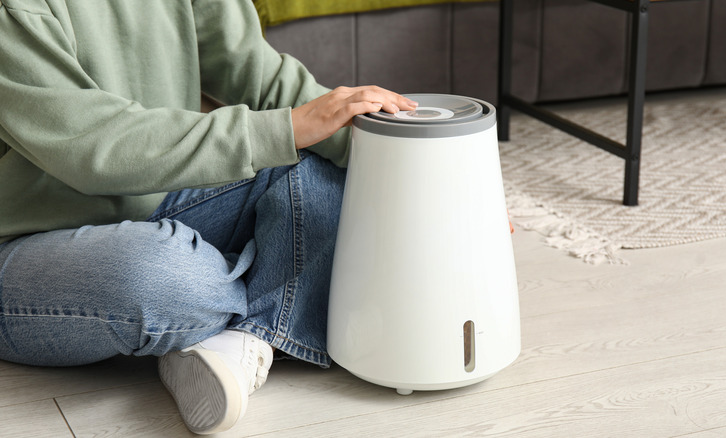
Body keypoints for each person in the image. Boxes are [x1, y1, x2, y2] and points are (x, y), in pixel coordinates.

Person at [0, 0, 417, 434]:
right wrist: (287, 128)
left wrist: (421, 177)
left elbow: (259, 73)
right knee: (164, 276)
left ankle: (237, 341)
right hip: (25, 246)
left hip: (160, 197)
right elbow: (90, 145)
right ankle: (256, 303)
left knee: (322, 167)